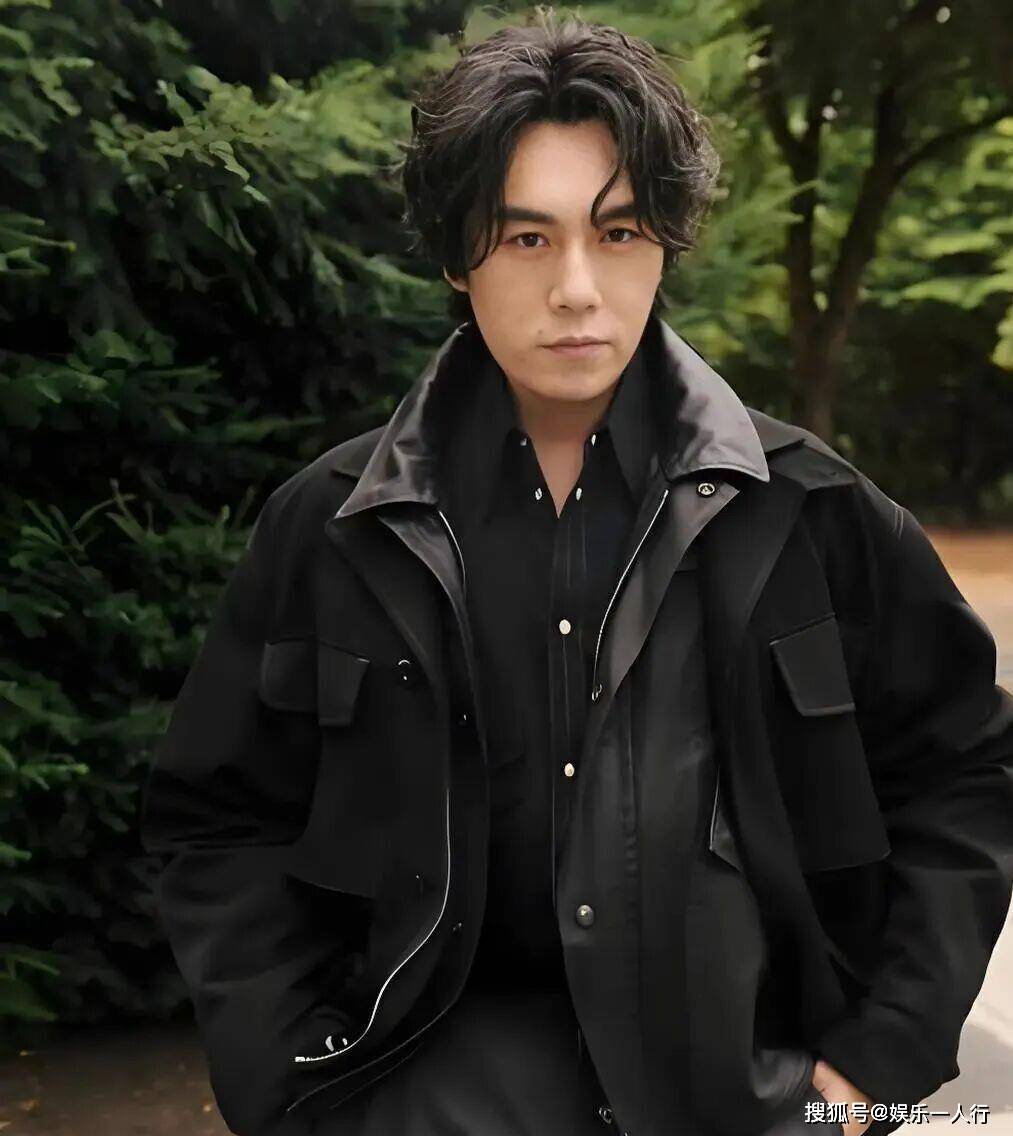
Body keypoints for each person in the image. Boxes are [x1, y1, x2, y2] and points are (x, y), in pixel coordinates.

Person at [139, 9, 1013, 1136]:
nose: (577, 288)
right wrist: (289, 1087)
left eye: (618, 231)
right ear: (456, 255)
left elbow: (964, 774)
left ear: (665, 243)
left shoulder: (809, 512)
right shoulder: (334, 529)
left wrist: (872, 1071)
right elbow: (217, 821)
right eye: (526, 238)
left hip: (746, 1108)